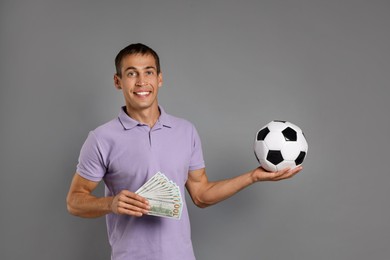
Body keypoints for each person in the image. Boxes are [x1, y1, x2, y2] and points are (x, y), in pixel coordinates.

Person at [66, 43, 302, 260]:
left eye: (148, 72)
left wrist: (253, 176)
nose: (141, 81)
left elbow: (201, 195)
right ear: (118, 81)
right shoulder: (101, 138)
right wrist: (111, 204)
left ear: (159, 79)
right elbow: (75, 202)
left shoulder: (185, 131)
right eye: (131, 73)